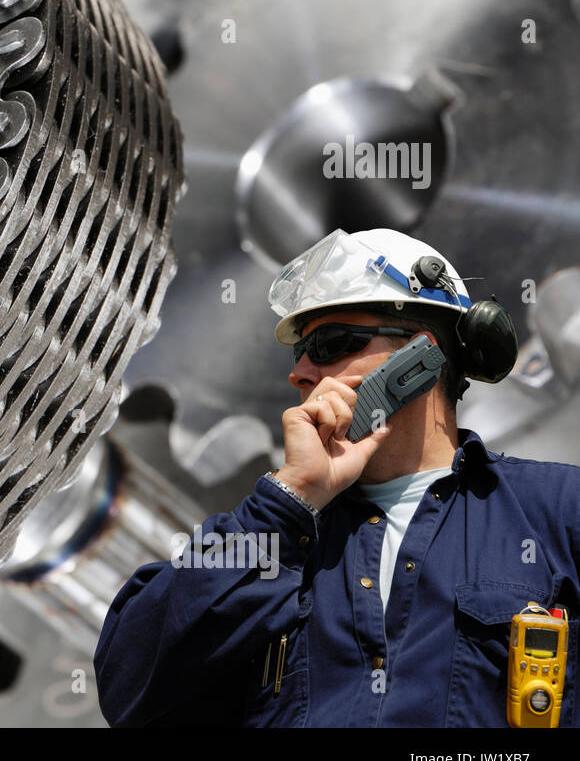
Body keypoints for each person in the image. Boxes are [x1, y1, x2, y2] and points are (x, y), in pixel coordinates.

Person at [94, 227, 580, 727]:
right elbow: (128, 691)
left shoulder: (558, 511)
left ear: (418, 355)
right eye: (299, 351)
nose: (300, 371)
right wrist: (289, 502)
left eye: (330, 342)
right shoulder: (269, 538)